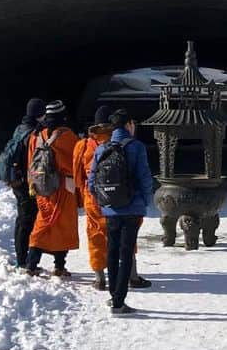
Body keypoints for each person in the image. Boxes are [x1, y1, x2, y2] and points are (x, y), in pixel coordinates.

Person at [89, 108, 154, 315]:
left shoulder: (102, 148)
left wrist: (103, 202)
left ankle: (113, 296)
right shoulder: (137, 147)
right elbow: (145, 178)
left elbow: (91, 181)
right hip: (132, 208)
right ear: (128, 125)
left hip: (110, 209)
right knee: (126, 253)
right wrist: (144, 201)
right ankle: (119, 301)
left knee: (112, 250)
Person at [25, 100, 80, 277]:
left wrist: (32, 183)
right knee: (62, 226)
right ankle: (59, 265)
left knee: (42, 223)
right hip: (63, 189)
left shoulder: (36, 136)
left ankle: (32, 264)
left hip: (42, 188)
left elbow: (30, 163)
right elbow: (74, 164)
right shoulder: (68, 136)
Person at [72, 105, 114, 290]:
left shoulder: (84, 145)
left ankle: (99, 277)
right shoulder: (120, 140)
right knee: (122, 233)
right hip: (118, 196)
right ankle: (129, 273)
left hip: (94, 196)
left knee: (96, 234)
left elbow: (77, 175)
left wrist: (83, 194)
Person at [7, 97, 45, 269]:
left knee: (22, 219)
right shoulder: (32, 133)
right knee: (26, 220)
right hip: (24, 181)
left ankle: (21, 258)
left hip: (16, 179)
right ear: (39, 114)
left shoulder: (20, 128)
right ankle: (23, 261)